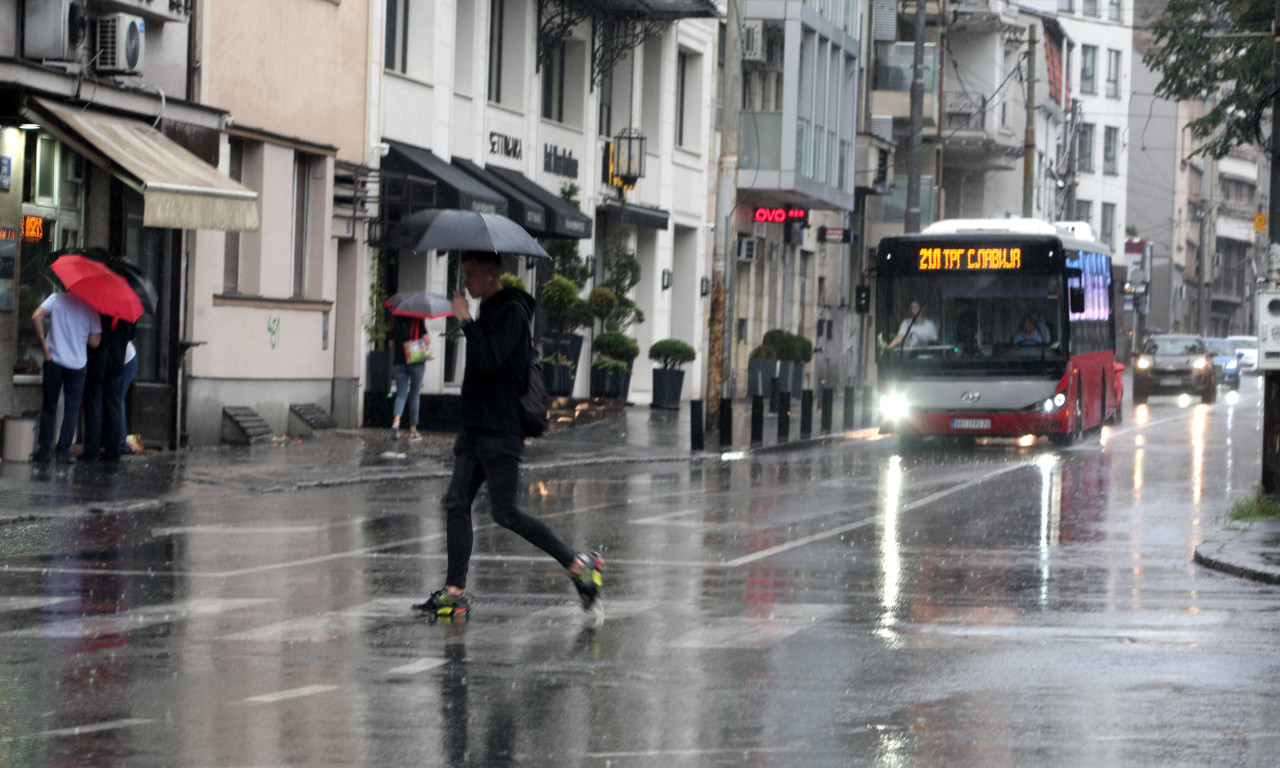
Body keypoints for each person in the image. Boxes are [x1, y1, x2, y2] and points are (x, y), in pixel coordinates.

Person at [413, 251, 602, 619]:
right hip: (476, 426)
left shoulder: (513, 312)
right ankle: (455, 592)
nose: (466, 282)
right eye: (464, 274)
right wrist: (471, 319)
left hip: (501, 430)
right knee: (456, 502)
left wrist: (466, 320)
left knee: (506, 512)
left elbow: (490, 359)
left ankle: (579, 565)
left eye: (471, 275)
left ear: (492, 275)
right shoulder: (490, 308)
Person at [31, 291, 101, 463]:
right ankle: (63, 451)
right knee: (72, 409)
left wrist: (44, 346)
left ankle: (45, 449)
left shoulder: (56, 298)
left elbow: (36, 316)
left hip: (53, 360)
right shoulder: (91, 308)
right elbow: (95, 342)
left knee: (49, 405)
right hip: (77, 365)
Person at [80, 315, 135, 462]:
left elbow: (94, 338)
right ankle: (113, 449)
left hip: (99, 360)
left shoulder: (100, 310)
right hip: (117, 361)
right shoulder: (127, 313)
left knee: (94, 404)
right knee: (113, 405)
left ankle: (92, 449)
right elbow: (131, 335)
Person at [387, 312, 428, 441]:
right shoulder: (418, 319)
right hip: (416, 361)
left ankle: (396, 422)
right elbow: (427, 340)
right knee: (415, 395)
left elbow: (391, 346)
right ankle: (413, 431)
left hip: (399, 362)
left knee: (401, 394)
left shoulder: (394, 322)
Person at [118, 341, 137, 454]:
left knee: (118, 399)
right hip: (127, 358)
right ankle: (125, 441)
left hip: (126, 360)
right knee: (118, 399)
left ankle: (122, 442)